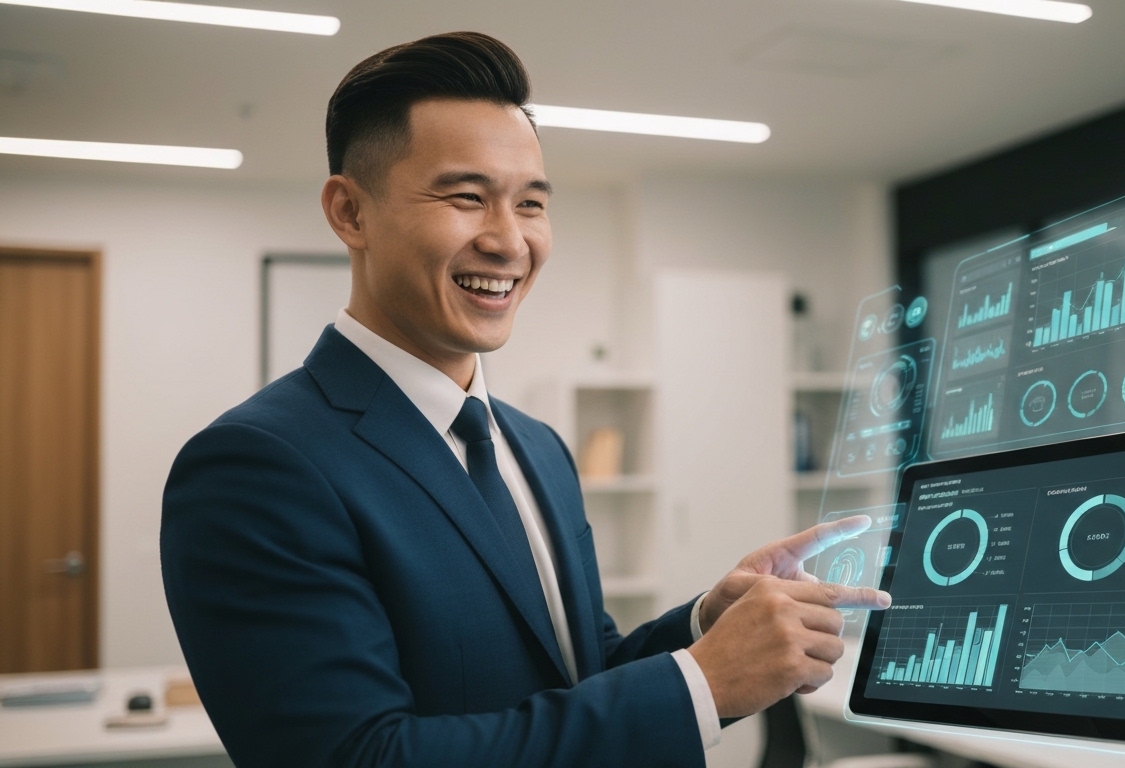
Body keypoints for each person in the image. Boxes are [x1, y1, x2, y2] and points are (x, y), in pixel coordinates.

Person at [160, 31, 889, 768]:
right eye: (467, 197)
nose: (510, 242)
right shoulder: (257, 466)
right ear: (350, 212)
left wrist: (705, 626)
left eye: (532, 203)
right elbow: (359, 757)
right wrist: (703, 684)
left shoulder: (536, 446)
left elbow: (578, 670)